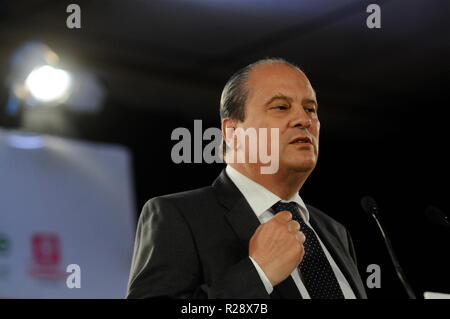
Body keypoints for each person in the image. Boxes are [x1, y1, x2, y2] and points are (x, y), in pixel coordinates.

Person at [126, 58, 367, 299]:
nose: (304, 120)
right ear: (233, 132)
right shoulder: (178, 216)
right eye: (281, 107)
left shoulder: (335, 232)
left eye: (310, 109)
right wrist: (258, 273)